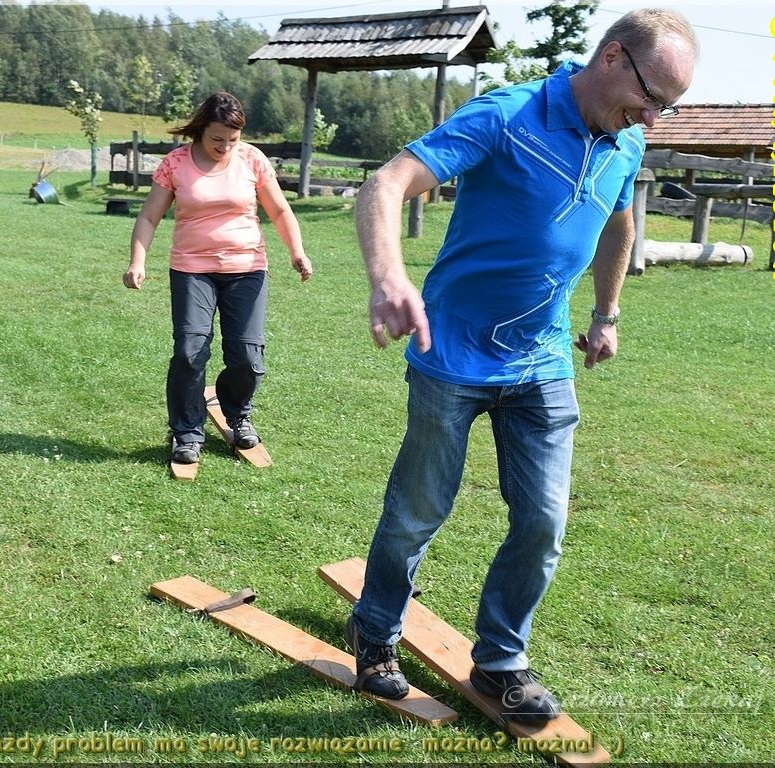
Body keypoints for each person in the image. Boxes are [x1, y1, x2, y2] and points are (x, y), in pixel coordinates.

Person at [347, 9, 697, 724]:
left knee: (543, 520)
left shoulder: (626, 140)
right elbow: (387, 182)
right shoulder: (508, 115)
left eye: (667, 106)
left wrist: (606, 313)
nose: (653, 119)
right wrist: (388, 277)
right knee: (419, 510)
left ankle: (501, 661)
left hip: (542, 358)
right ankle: (376, 632)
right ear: (611, 58)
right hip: (450, 351)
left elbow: (619, 223)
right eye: (651, 96)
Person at [123, 92, 313, 465]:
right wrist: (137, 261)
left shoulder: (252, 159)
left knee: (247, 357)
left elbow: (279, 210)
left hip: (248, 268)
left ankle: (237, 415)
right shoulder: (176, 163)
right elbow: (148, 216)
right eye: (216, 139)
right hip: (192, 270)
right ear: (200, 130)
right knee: (189, 351)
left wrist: (297, 251)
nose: (225, 147)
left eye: (232, 139)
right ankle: (186, 433)